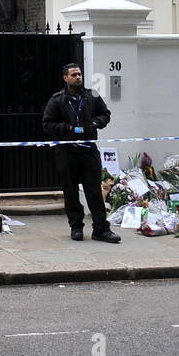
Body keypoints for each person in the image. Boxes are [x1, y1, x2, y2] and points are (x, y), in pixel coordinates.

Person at [42, 63, 119, 243]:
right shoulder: (57, 99)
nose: (78, 77)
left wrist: (96, 123)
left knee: (94, 191)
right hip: (67, 151)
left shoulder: (91, 95)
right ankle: (76, 227)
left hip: (88, 151)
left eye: (79, 74)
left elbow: (106, 113)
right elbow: (47, 124)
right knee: (70, 192)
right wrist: (66, 128)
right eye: (74, 74)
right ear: (65, 78)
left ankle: (101, 229)